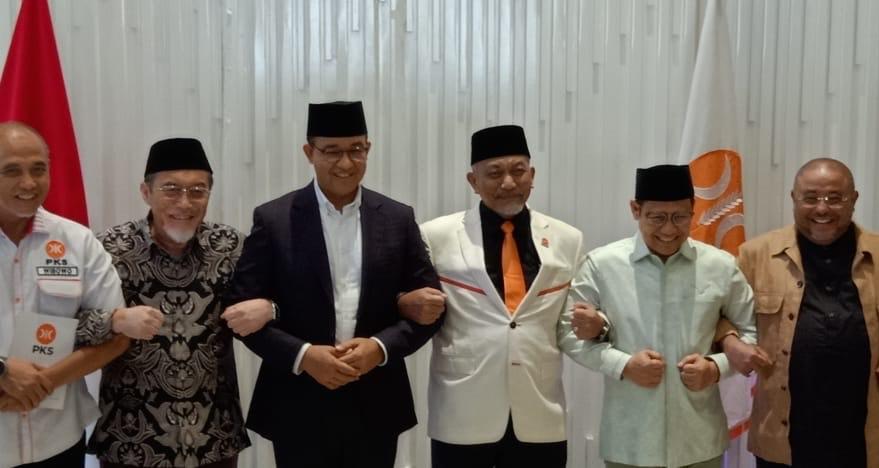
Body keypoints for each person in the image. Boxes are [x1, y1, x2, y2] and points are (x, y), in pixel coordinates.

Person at [225, 101, 444, 467]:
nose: (346, 163)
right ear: (309, 152)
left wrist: (380, 348)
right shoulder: (275, 219)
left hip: (376, 398)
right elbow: (240, 314)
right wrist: (303, 355)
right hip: (297, 400)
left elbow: (431, 309)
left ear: (368, 149)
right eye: (331, 151)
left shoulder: (397, 218)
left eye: (356, 149)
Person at [77, 138, 270, 468]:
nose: (185, 202)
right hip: (131, 439)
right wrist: (115, 320)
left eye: (197, 191)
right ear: (145, 192)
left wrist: (269, 307)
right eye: (171, 189)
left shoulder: (231, 246)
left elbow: (288, 298)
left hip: (214, 435)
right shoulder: (108, 248)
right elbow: (68, 326)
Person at [414, 125, 596, 468]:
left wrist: (598, 328)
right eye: (495, 173)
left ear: (532, 175)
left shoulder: (567, 239)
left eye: (518, 171)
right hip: (462, 409)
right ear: (473, 181)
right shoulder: (435, 236)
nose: (509, 183)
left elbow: (574, 322)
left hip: (540, 410)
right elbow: (414, 306)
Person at [559, 164, 756, 468]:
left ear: (693, 210)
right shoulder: (602, 265)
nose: (669, 230)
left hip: (700, 441)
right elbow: (568, 333)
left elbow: (752, 332)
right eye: (657, 217)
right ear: (635, 210)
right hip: (629, 442)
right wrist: (623, 365)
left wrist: (716, 368)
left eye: (680, 217)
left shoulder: (720, 266)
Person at [743, 158, 879, 468]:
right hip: (782, 434)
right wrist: (732, 344)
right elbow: (721, 316)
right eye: (810, 198)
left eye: (834, 198)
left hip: (862, 434)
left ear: (854, 199)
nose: (822, 208)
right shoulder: (755, 256)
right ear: (793, 198)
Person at [0, 122, 128, 468]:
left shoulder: (77, 240)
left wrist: (41, 383)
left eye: (38, 169)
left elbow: (116, 335)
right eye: (12, 171)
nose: (29, 183)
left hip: (58, 441)